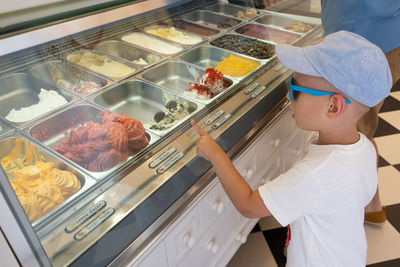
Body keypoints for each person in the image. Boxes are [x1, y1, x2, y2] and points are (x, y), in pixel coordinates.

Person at [191, 31, 392, 266]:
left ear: (333, 106)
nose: (288, 95)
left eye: (295, 89)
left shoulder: (313, 175)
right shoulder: (366, 148)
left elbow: (248, 205)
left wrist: (216, 154)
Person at [320, 0, 400, 224]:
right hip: (378, 32)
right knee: (359, 125)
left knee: (352, 129)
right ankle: (369, 205)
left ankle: (358, 208)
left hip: (361, 35)